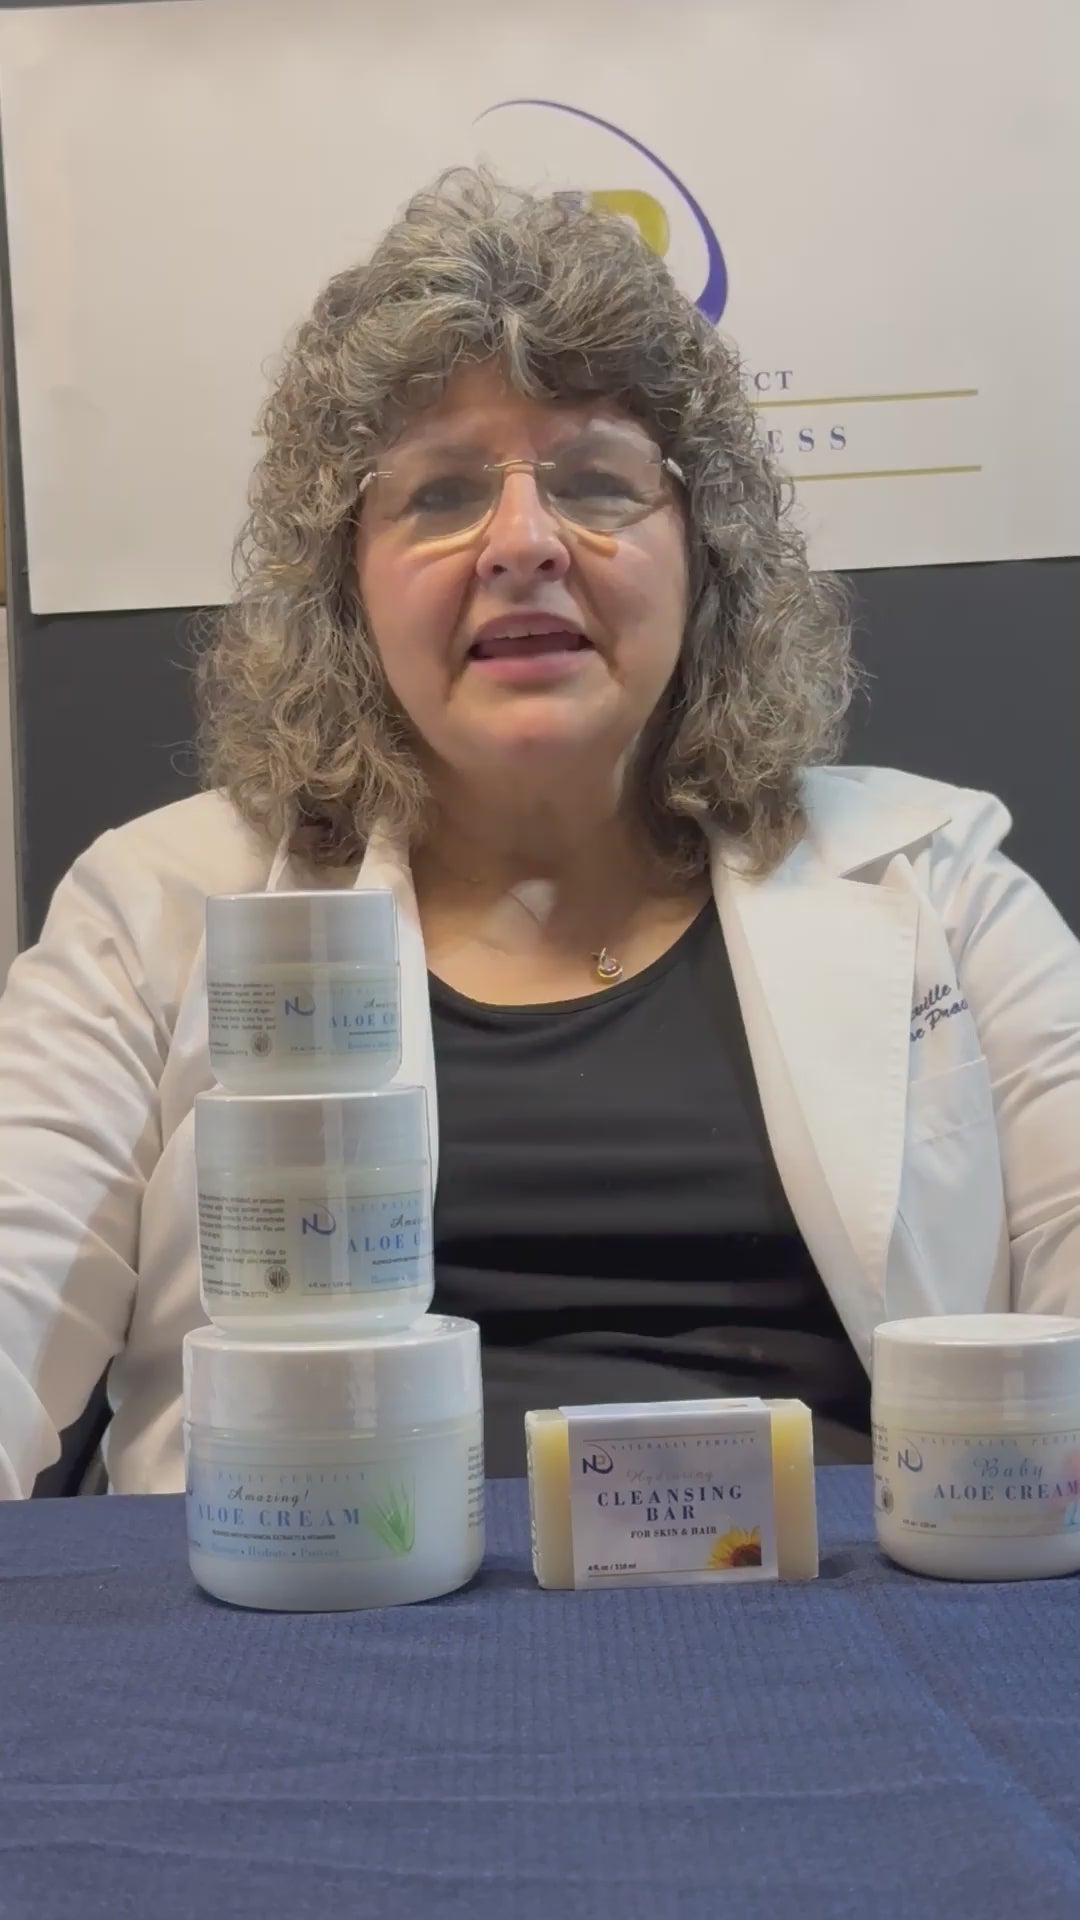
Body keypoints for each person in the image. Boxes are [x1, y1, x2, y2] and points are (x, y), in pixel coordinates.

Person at [2, 170, 1079, 1498]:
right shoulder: (156, 910)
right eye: (443, 496)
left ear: (708, 550)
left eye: (596, 482)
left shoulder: (943, 891)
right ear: (347, 586)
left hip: (834, 1632)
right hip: (303, 1626)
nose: (523, 543)